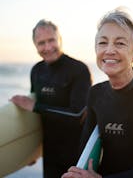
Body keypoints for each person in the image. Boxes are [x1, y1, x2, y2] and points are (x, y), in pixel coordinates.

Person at [61, 8, 133, 178]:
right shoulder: (95, 93)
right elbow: (86, 149)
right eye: (102, 43)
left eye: (120, 43)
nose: (109, 50)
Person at [10, 19, 92, 178]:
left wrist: (35, 106)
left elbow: (78, 115)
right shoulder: (37, 71)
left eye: (51, 40)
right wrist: (31, 150)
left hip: (77, 155)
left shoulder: (78, 70)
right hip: (50, 155)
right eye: (41, 43)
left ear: (59, 39)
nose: (47, 47)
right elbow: (36, 119)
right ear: (35, 46)